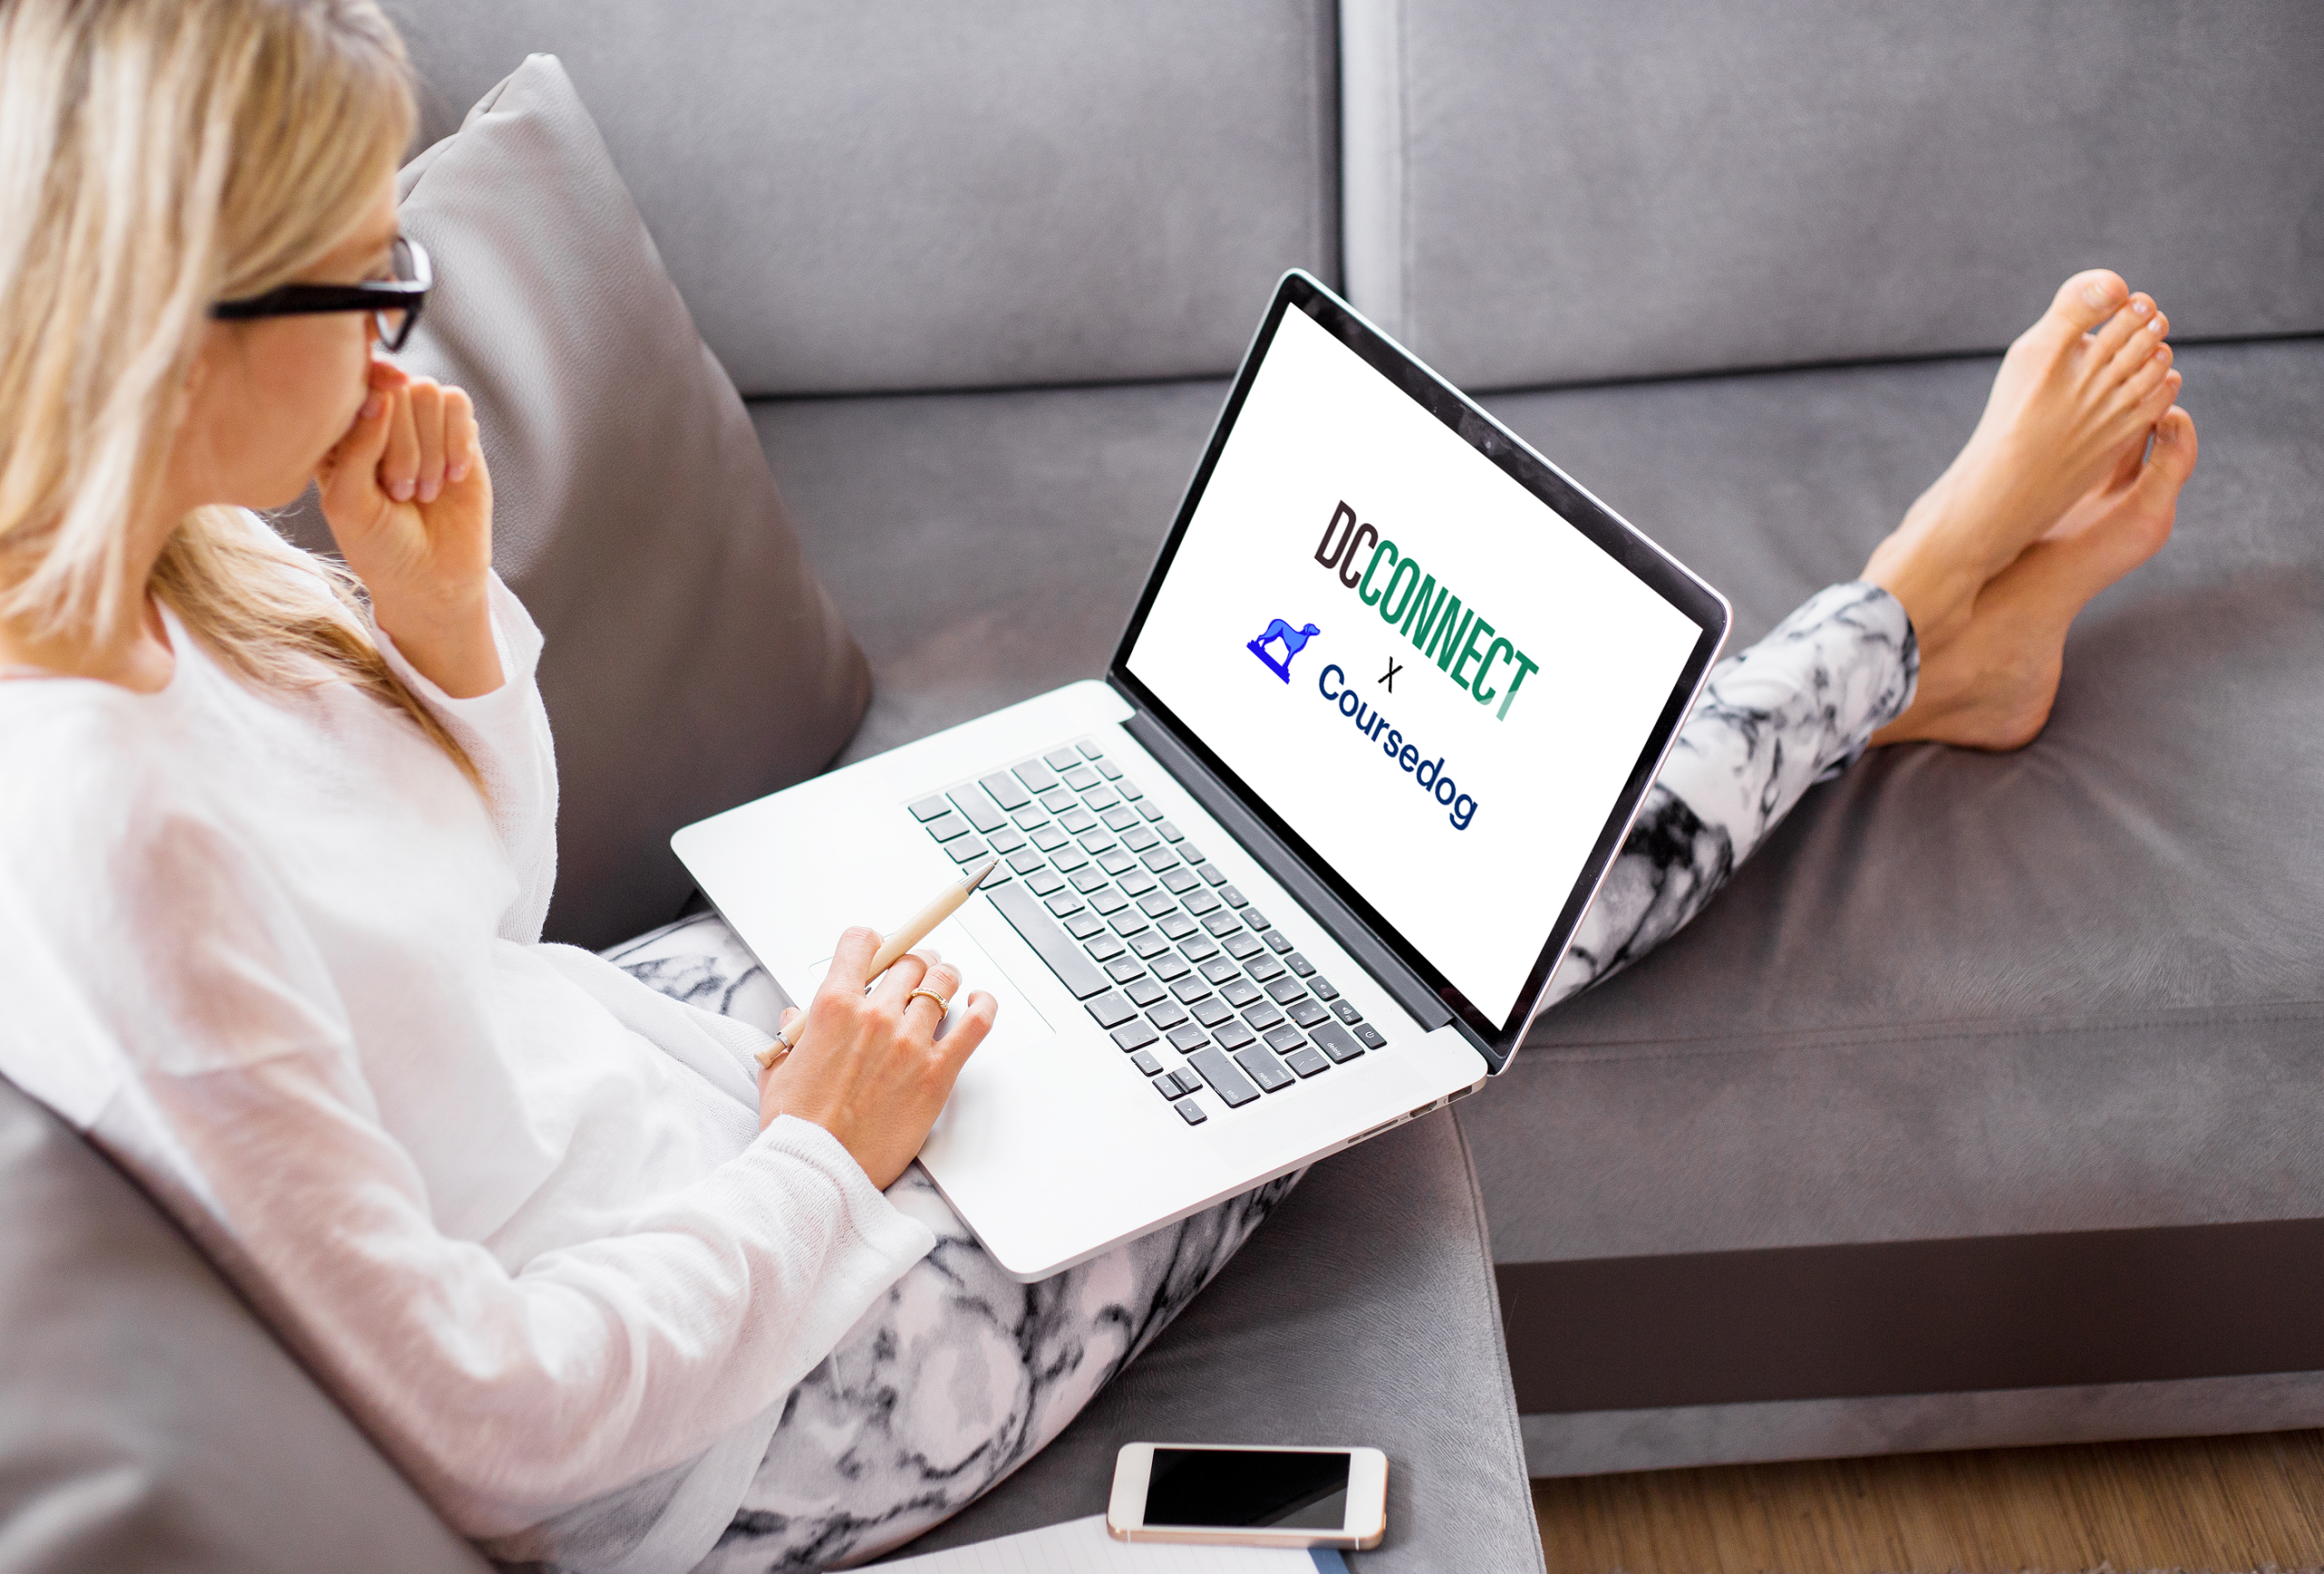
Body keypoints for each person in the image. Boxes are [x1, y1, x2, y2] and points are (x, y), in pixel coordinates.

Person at [0, 1, 2193, 1570]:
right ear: (175, 319)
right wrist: (815, 1156)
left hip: (677, 1100)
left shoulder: (146, 588)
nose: (404, 322)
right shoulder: (104, 829)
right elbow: (495, 1429)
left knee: (1178, 799)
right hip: (747, 1409)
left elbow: (449, 934)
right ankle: (1903, 624)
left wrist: (449, 630)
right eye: (369, 267)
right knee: (1388, 917)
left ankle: (1892, 666)